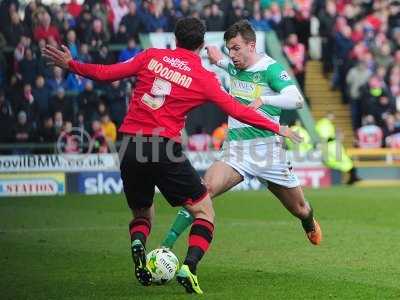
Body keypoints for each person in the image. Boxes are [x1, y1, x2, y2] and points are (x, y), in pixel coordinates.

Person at [42, 17, 301, 294]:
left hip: (129, 144)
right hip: (163, 147)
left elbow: (107, 73)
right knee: (204, 211)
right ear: (202, 45)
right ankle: (189, 266)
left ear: (174, 39)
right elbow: (239, 111)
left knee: (142, 212)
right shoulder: (203, 78)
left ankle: (139, 243)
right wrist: (277, 127)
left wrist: (71, 64)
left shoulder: (151, 56)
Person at [161, 20, 322, 253]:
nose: (232, 54)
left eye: (236, 48)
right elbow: (227, 65)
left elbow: (295, 99)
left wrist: (265, 100)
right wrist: (217, 59)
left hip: (268, 152)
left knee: (300, 208)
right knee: (202, 191)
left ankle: (308, 221)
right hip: (235, 150)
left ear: (251, 46)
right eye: (229, 49)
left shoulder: (271, 69)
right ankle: (166, 246)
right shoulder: (235, 65)